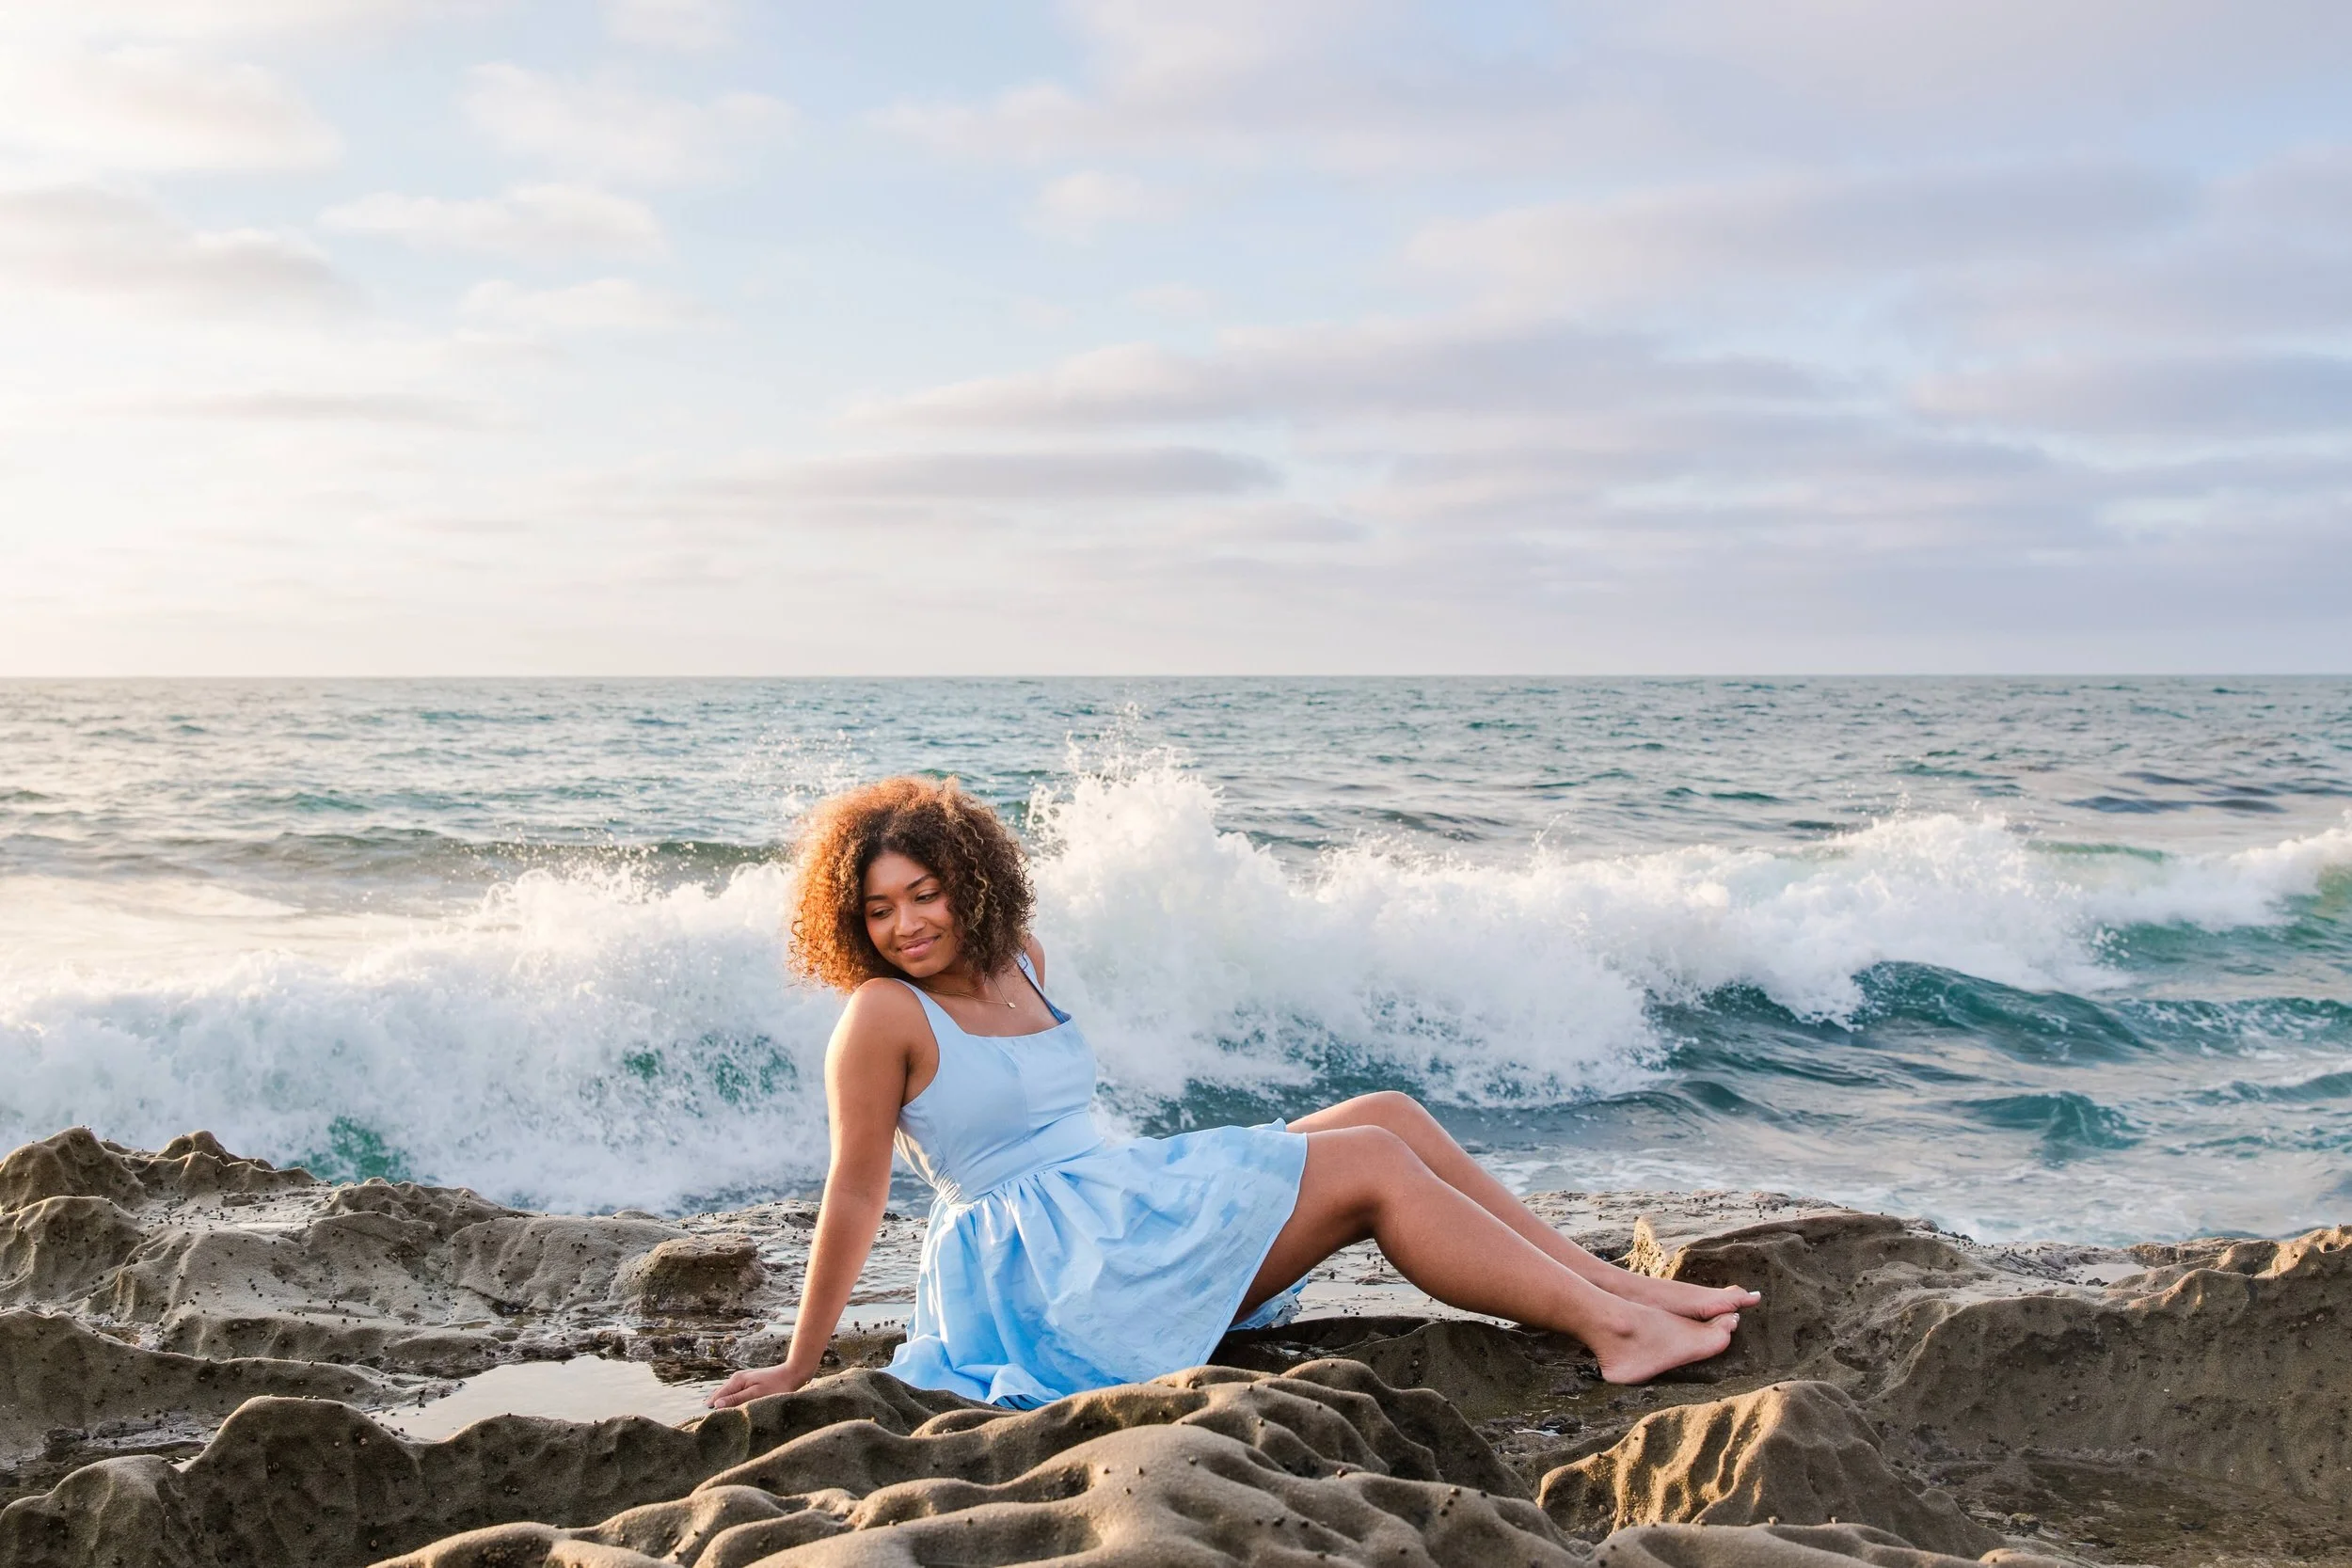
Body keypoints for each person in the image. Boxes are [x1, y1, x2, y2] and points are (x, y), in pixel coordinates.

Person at [710, 777, 1754, 1411]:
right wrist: (803, 1359)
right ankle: (1614, 1332)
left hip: (1109, 1211)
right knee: (1375, 1168)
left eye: (923, 893)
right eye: (880, 908)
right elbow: (853, 1193)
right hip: (1041, 1279)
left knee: (1384, 1110)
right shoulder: (883, 1015)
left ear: (969, 880)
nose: (904, 925)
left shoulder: (1021, 954)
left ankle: (1624, 1292)